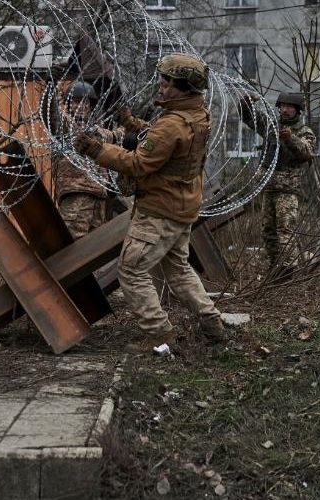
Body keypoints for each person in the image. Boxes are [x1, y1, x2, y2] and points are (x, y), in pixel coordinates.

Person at [73, 53, 226, 352]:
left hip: (159, 211)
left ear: (182, 87)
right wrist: (131, 123)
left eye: (166, 83)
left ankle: (158, 334)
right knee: (179, 270)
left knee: (131, 269)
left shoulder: (172, 124)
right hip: (181, 207)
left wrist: (97, 150)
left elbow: (140, 163)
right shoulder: (196, 115)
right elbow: (161, 139)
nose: (160, 87)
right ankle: (212, 322)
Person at [240, 92, 316, 275]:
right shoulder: (272, 126)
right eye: (282, 106)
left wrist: (290, 138)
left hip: (287, 190)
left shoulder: (304, 131)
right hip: (268, 187)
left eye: (290, 107)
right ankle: (276, 267)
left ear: (297, 110)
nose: (285, 110)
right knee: (268, 231)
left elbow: (307, 152)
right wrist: (245, 103)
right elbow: (251, 119)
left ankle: (289, 270)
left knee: (285, 230)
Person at [53, 81, 122, 239]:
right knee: (74, 244)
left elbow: (112, 135)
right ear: (69, 104)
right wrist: (52, 88)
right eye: (77, 101)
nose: (82, 106)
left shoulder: (96, 128)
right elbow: (54, 112)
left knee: (95, 248)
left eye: (86, 102)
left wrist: (127, 125)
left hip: (98, 196)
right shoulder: (65, 126)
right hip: (77, 193)